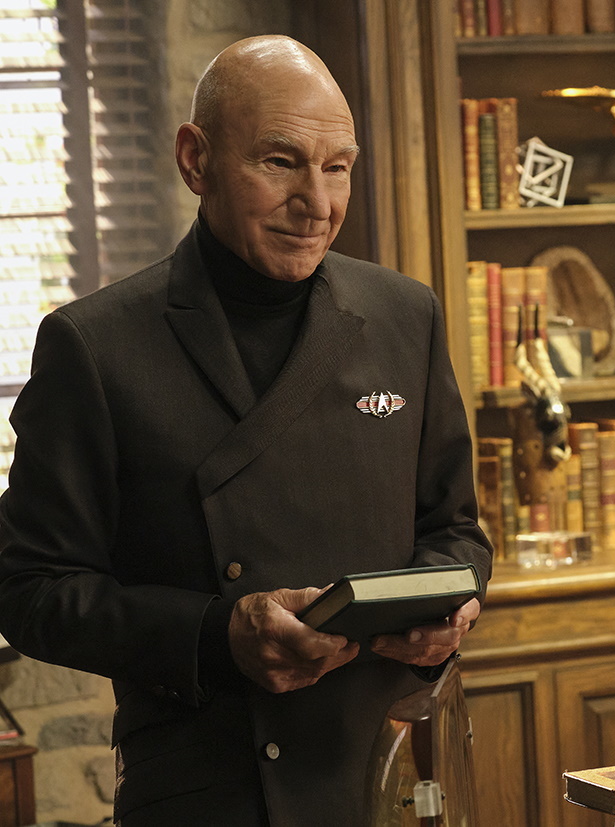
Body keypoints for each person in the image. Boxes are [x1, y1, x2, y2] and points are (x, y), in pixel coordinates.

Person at [0, 35, 492, 826]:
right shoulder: (94, 345)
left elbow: (457, 531)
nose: (317, 202)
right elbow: (28, 591)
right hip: (208, 789)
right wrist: (216, 633)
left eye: (338, 167)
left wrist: (449, 607)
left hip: (390, 776)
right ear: (195, 160)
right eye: (281, 161)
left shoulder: (407, 315)